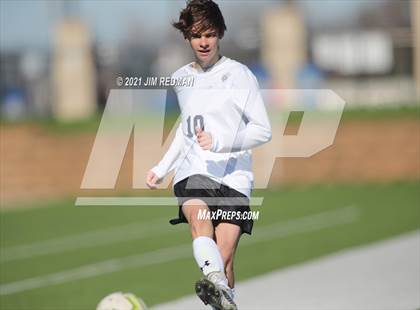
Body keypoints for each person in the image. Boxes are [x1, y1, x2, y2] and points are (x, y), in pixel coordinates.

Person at [146, 1, 271, 309]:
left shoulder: (240, 75)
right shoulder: (180, 79)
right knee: (201, 228)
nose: (204, 42)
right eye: (197, 35)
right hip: (194, 170)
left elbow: (263, 130)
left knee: (224, 259)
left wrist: (220, 142)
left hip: (235, 175)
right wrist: (162, 167)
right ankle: (214, 281)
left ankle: (223, 296)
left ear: (221, 34)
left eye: (210, 34)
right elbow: (185, 130)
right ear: (187, 37)